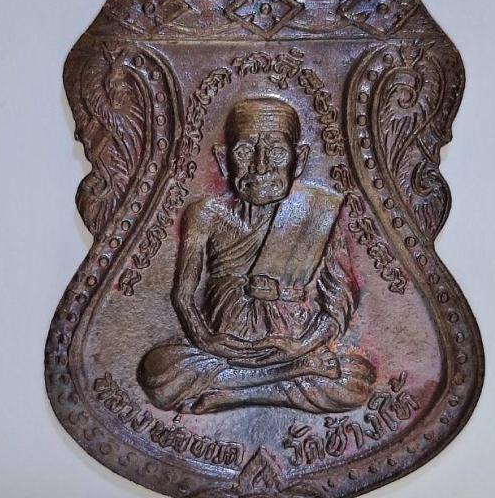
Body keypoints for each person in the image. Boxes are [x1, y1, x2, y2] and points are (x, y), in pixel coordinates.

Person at [137, 97, 375, 413]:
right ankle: (282, 378)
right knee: (159, 373)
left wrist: (302, 346)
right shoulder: (206, 214)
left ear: (299, 160)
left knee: (356, 381)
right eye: (245, 152)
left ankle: (236, 392)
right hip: (222, 348)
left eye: (276, 152)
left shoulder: (319, 214)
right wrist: (205, 339)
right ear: (224, 161)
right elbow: (182, 295)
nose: (260, 166)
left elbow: (338, 302)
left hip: (292, 344)